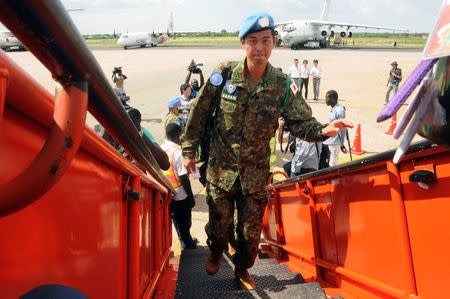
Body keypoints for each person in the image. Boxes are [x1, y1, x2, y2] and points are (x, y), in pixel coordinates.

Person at [181, 12, 353, 290]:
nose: (259, 47)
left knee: (249, 236)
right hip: (220, 169)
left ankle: (242, 270)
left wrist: (324, 130)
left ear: (274, 43)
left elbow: (300, 122)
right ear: (243, 43)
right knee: (219, 226)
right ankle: (215, 249)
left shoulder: (282, 85)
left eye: (265, 41)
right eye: (253, 41)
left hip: (255, 174)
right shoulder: (224, 74)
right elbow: (199, 112)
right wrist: (188, 150)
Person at [162, 123, 197, 249]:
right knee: (185, 220)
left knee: (176, 219)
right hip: (180, 193)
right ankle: (188, 243)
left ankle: (182, 239)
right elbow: (183, 177)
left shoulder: (162, 148)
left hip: (167, 191)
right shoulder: (178, 152)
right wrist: (191, 196)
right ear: (178, 135)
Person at [324, 90, 348, 167]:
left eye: (327, 98)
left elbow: (343, 128)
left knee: (333, 165)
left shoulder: (339, 110)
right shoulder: (334, 108)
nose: (325, 100)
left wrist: (342, 144)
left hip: (335, 142)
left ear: (333, 99)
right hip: (330, 140)